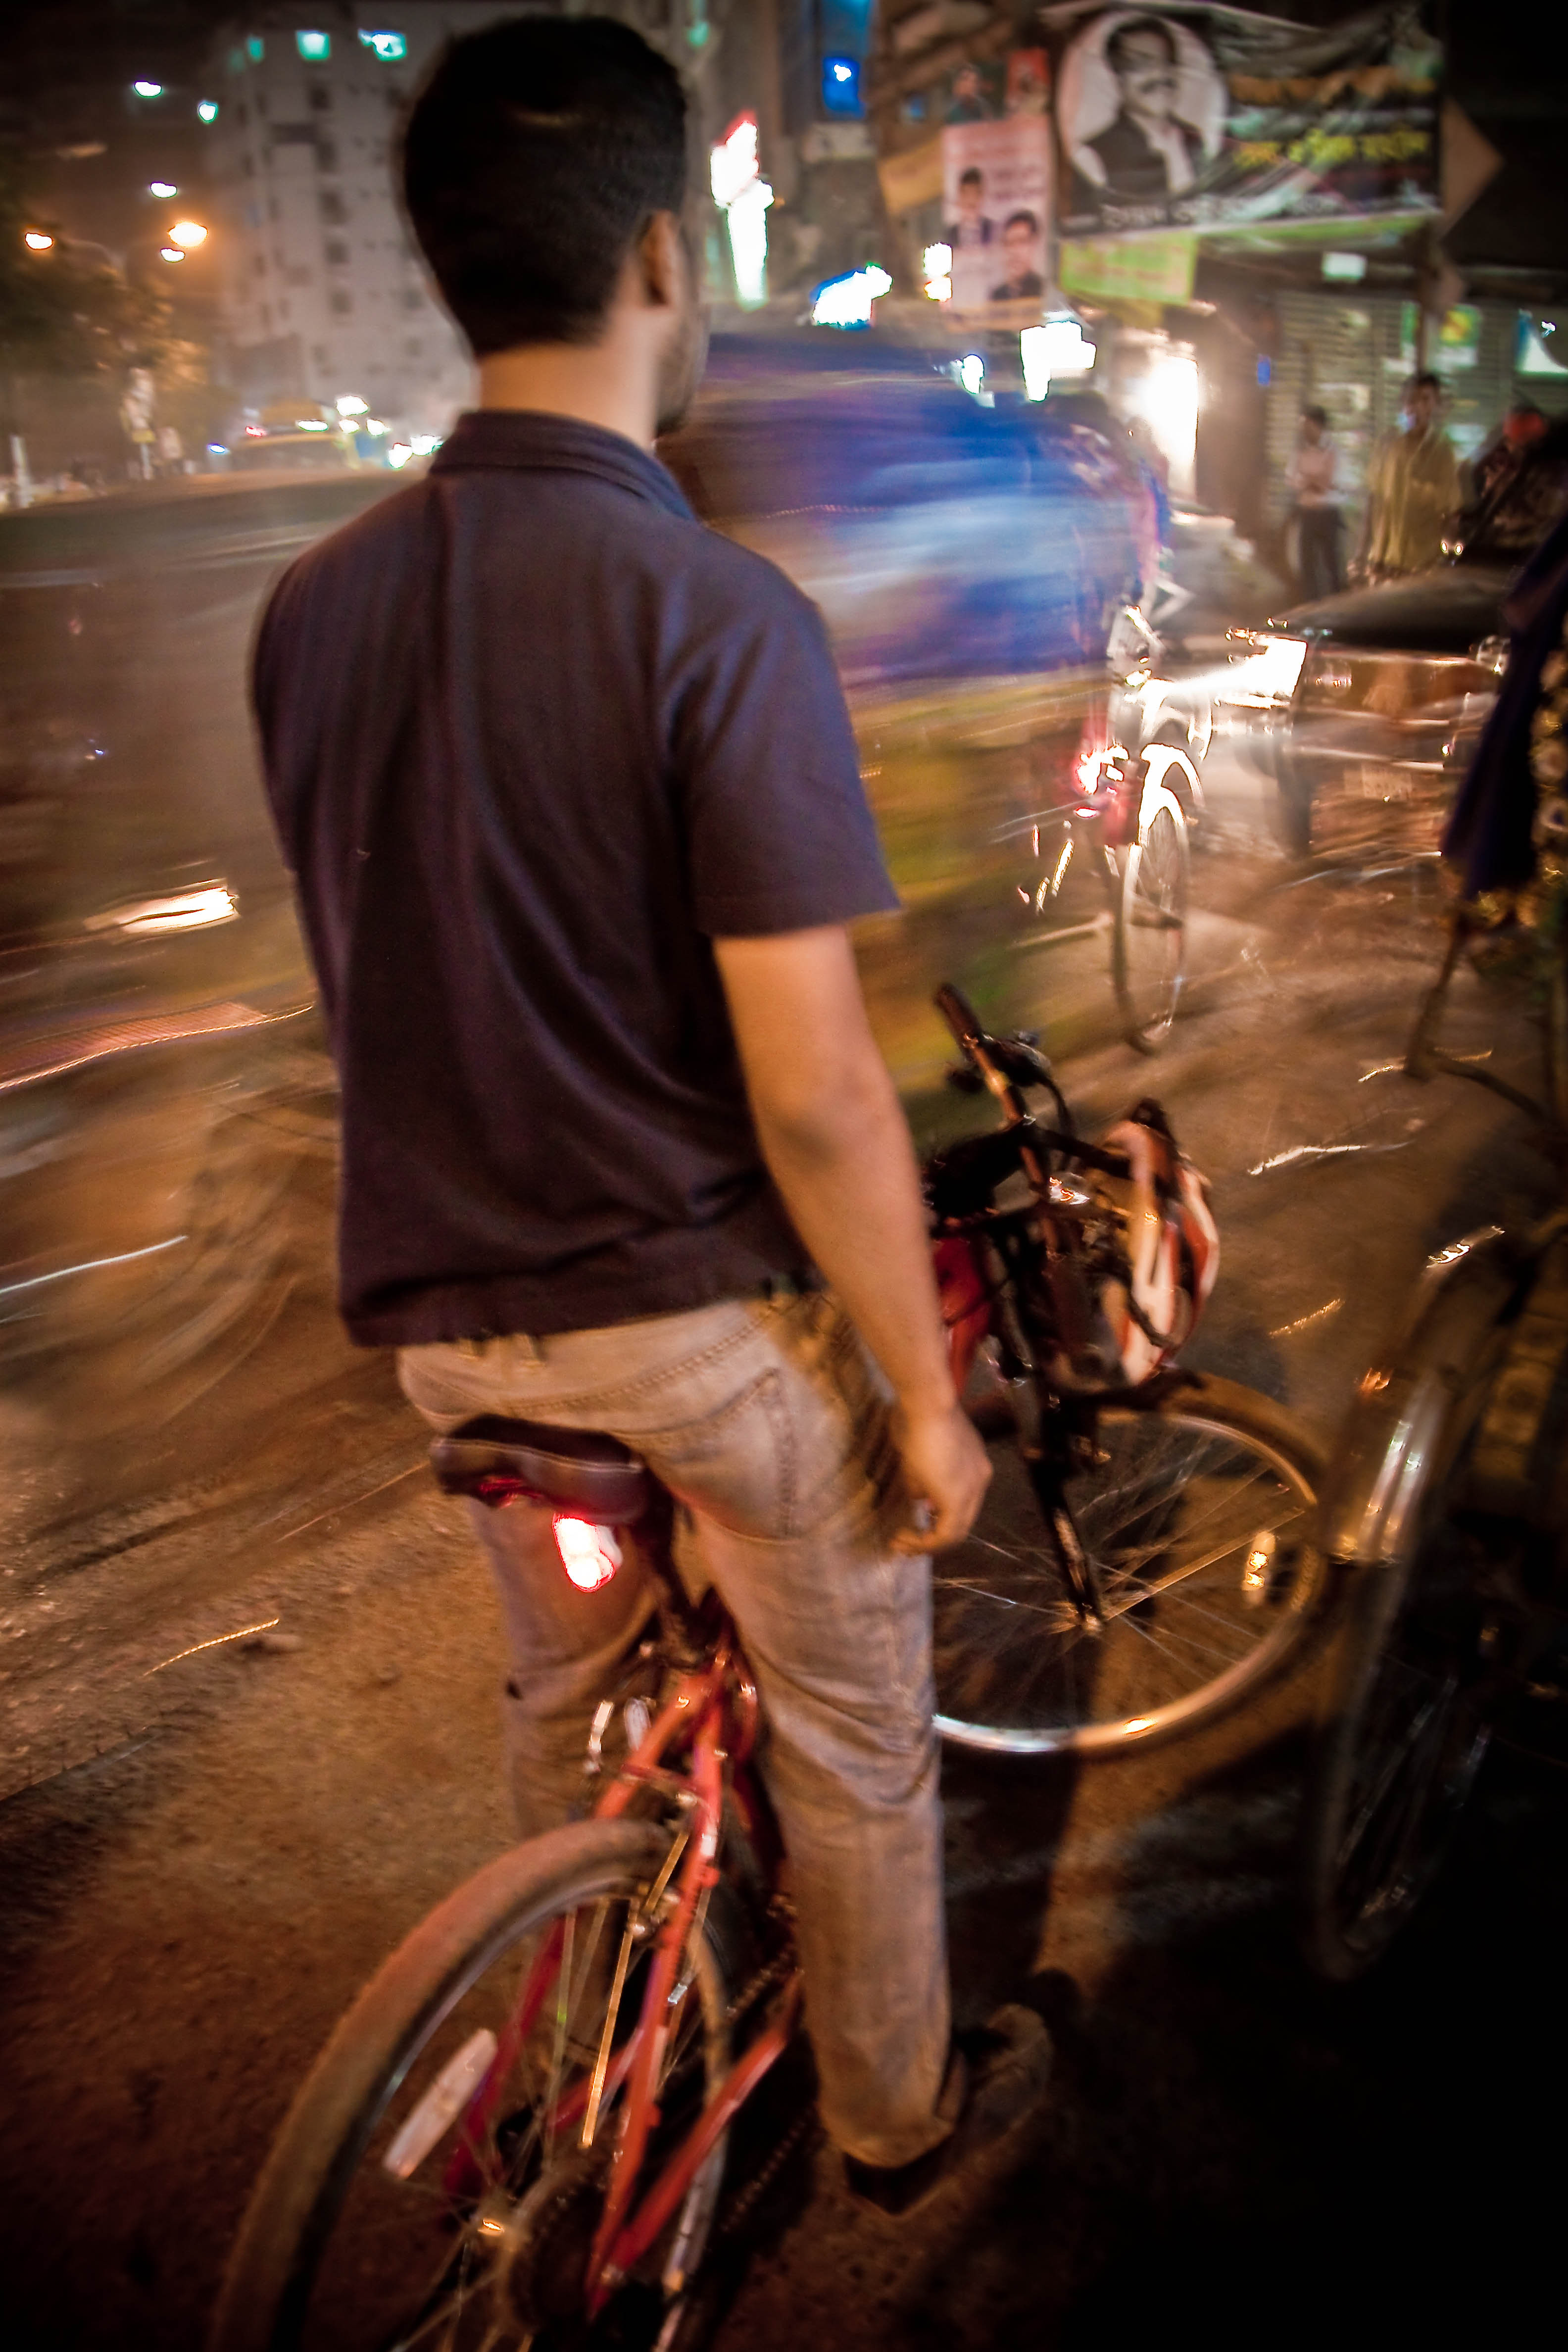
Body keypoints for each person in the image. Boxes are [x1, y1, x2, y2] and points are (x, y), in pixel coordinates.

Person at [249, 13, 1048, 2219]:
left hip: (440, 1327)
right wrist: (921, 1398)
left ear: (443, 271)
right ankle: (893, 2117)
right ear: (663, 261)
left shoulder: (305, 615)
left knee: (567, 1697)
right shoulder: (716, 612)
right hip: (687, 1323)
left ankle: (577, 1980)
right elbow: (807, 1086)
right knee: (855, 1718)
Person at [1072, 16, 1205, 204]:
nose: (1160, 74)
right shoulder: (1095, 153)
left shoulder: (1197, 140)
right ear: (1117, 79)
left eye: (1167, 62)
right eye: (1141, 65)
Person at [1357, 371, 1460, 580]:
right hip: (1382, 564)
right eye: (1412, 400)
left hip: (1423, 567)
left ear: (1435, 405)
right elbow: (1373, 498)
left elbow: (1451, 510)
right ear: (1403, 404)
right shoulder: (1387, 445)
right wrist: (1361, 553)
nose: (1418, 407)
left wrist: (1449, 557)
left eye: (1426, 400)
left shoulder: (1443, 450)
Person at [1287, 405, 1343, 599]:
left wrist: (1309, 480)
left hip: (1328, 514)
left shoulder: (1334, 450)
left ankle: (1337, 607)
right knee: (1307, 565)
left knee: (1332, 565)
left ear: (1319, 426)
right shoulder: (1299, 450)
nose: (1303, 430)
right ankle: (1311, 605)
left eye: (1307, 425)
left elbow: (1332, 482)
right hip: (1307, 514)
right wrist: (1315, 480)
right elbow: (1292, 479)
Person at [989, 208, 1045, 302]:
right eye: (1008, 243)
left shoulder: (1043, 289)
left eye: (1022, 241)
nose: (1013, 251)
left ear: (1035, 244)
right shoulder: (997, 295)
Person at [943, 164, 994, 251]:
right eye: (967, 194)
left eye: (976, 193)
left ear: (982, 196)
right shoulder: (949, 235)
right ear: (959, 196)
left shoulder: (994, 230)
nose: (971, 199)